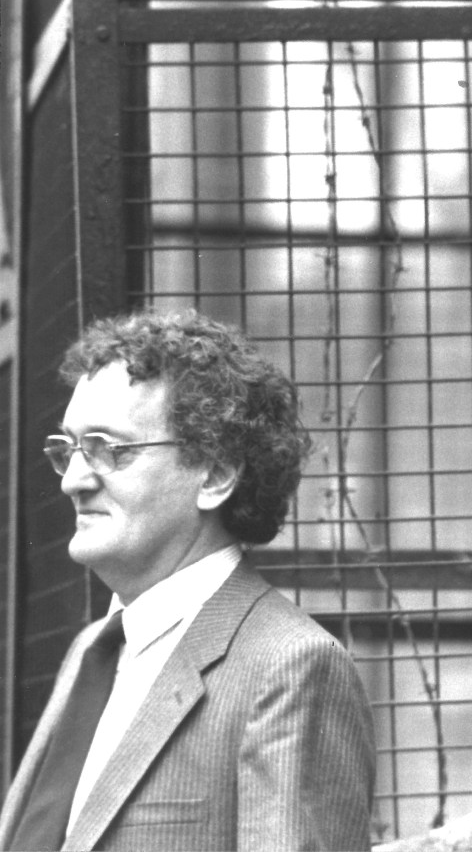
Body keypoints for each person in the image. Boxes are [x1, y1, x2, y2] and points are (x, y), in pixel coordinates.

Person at [0, 308, 376, 850]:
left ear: (216, 475)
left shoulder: (291, 667)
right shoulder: (93, 649)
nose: (74, 481)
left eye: (109, 449)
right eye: (69, 450)